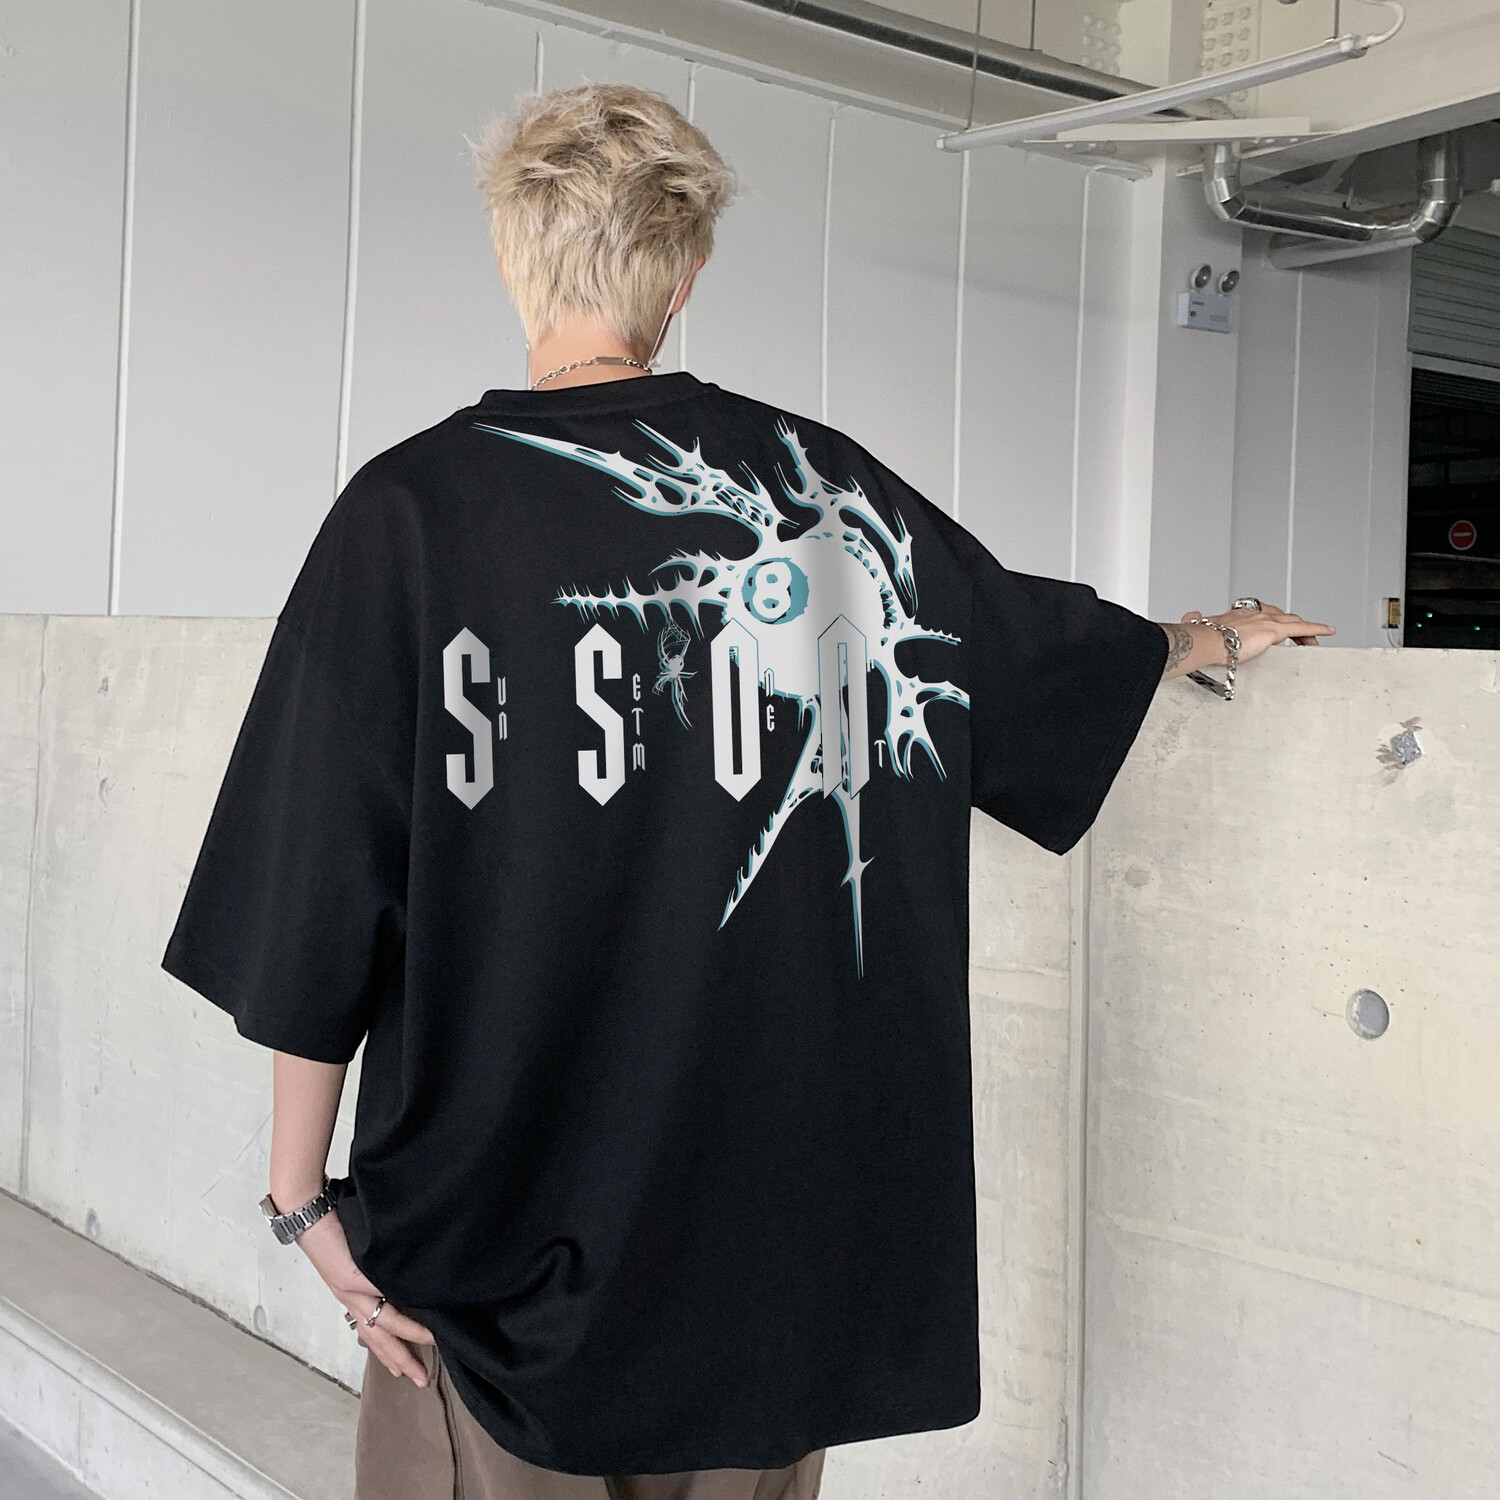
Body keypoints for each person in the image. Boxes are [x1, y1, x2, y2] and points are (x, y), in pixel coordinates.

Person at [160, 83, 1333, 1500]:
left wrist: (301, 1203)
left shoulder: (404, 518)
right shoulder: (832, 501)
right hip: (770, 1276)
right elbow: (1024, 652)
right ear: (688, 276)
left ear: (511, 255)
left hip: (489, 1282)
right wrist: (1202, 637)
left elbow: (314, 898)